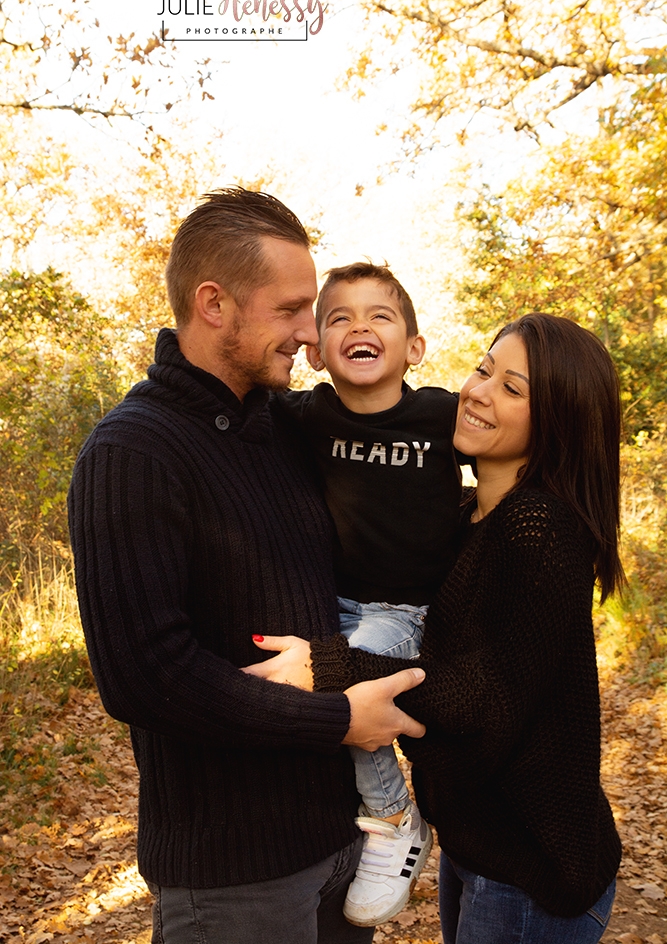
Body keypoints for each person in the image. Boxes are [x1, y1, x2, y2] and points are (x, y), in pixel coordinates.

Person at [67, 187, 428, 944]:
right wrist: (338, 719)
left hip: (339, 842)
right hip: (234, 875)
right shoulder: (133, 452)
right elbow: (145, 676)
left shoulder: (286, 427)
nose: (309, 332)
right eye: (291, 310)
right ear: (213, 304)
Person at [245, 312, 624, 943]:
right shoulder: (468, 514)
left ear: (556, 418)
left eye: (513, 387)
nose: (478, 391)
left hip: (533, 868)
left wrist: (330, 666)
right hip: (476, 845)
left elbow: (479, 695)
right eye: (483, 368)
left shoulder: (540, 530)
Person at [276, 262, 461, 926]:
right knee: (295, 678)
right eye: (338, 318)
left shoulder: (441, 414)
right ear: (317, 350)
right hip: (327, 599)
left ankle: (392, 820)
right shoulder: (307, 414)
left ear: (412, 348)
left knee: (351, 686)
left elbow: (517, 439)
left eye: (379, 316)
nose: (358, 326)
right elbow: (222, 399)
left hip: (400, 611)